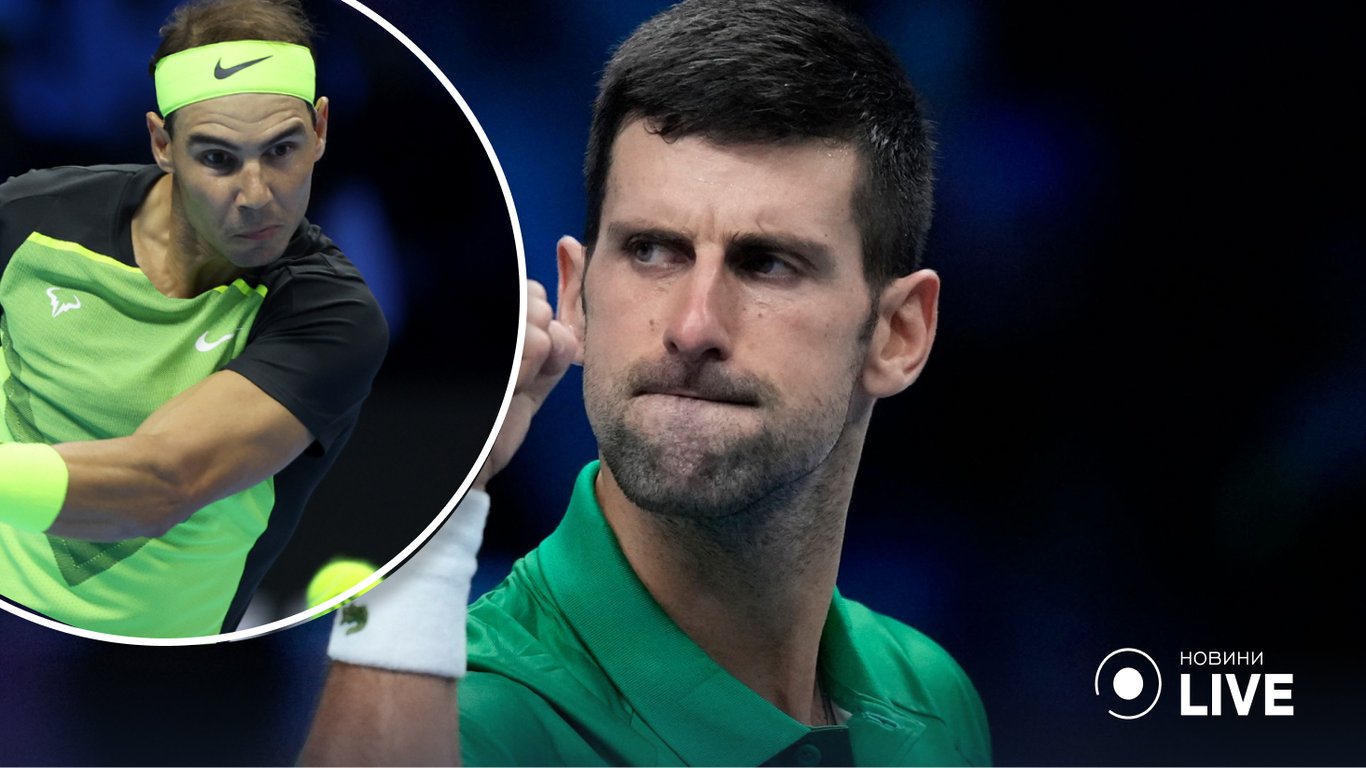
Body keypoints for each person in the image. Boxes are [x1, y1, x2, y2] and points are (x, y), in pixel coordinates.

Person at [302, 0, 990, 764]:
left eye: (767, 263)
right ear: (576, 295)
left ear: (899, 334)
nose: (693, 327)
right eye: (652, 251)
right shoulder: (471, 723)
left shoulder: (934, 698)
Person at [0, 0, 387, 639]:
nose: (257, 194)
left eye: (282, 149)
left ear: (320, 129)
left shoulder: (332, 315)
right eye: (217, 159)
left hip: (153, 672)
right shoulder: (28, 216)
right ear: (163, 144)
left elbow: (162, 483)